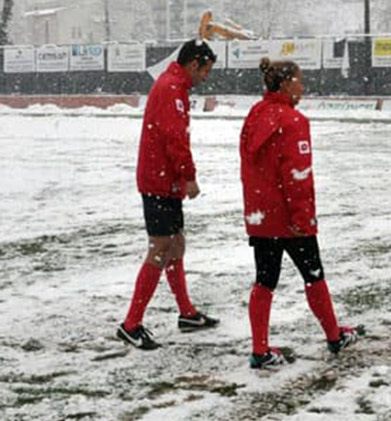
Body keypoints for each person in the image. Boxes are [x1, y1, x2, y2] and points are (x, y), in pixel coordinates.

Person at [240, 57, 362, 369]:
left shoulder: (255, 115)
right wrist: (302, 218)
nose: (303, 86)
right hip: (289, 219)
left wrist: (257, 210)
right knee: (314, 276)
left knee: (264, 280)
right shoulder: (293, 121)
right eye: (299, 80)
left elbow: (252, 168)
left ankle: (260, 349)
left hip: (262, 217)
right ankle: (334, 335)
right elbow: (297, 176)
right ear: (285, 83)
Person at [117, 39, 219, 350]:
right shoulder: (172, 88)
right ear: (193, 65)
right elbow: (175, 138)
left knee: (176, 243)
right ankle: (130, 324)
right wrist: (189, 176)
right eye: (205, 71)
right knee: (161, 247)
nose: (205, 77)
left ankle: (187, 314)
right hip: (158, 182)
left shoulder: (173, 85)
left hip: (164, 181)